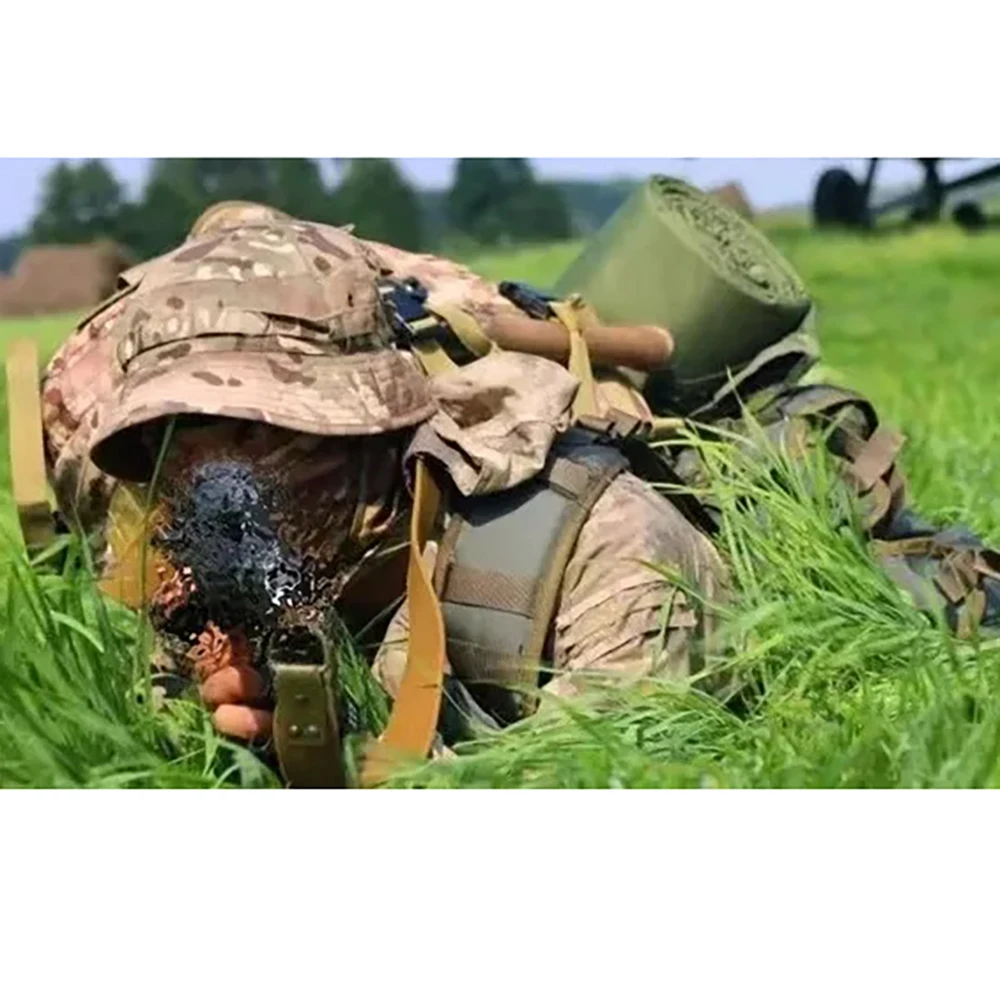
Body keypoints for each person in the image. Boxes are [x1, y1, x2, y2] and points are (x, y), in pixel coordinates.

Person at [29, 181, 1000, 786]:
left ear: (369, 419)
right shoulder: (187, 545)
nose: (207, 476)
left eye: (256, 427)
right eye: (172, 439)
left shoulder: (591, 551)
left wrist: (363, 766)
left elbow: (630, 796)